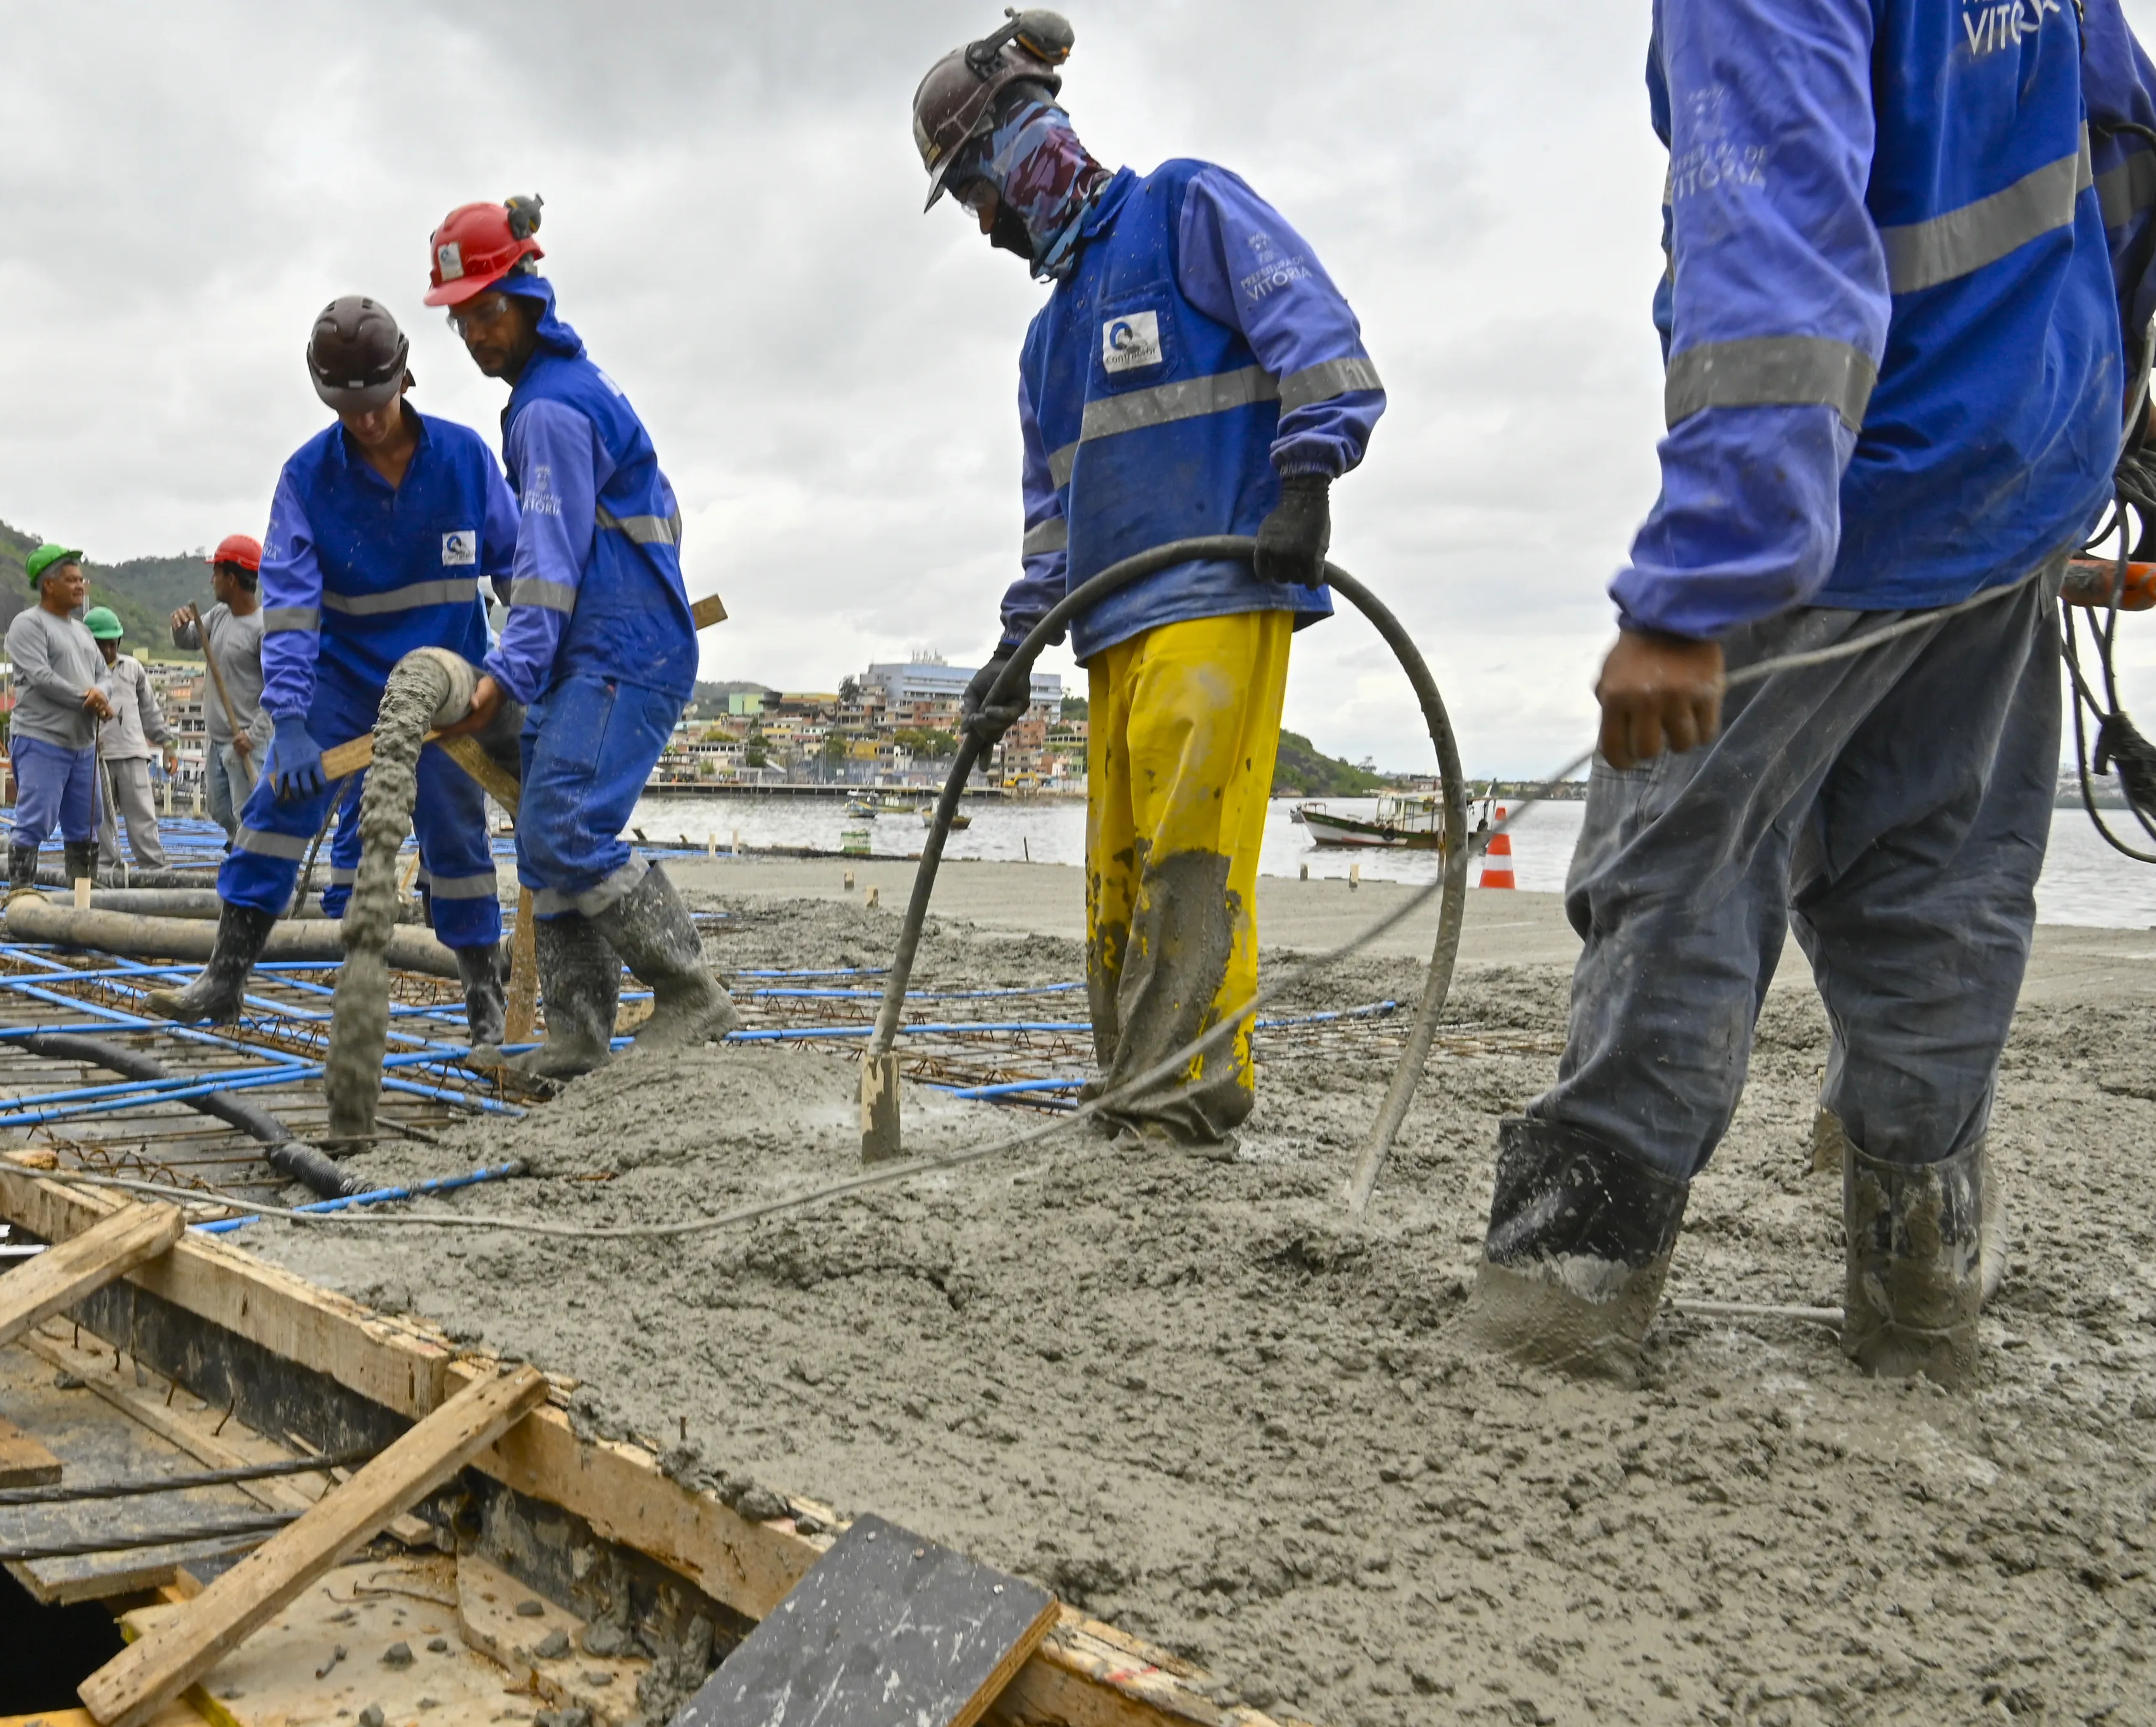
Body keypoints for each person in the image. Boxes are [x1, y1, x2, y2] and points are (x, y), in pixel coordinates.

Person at [1470, 0, 2156, 1386]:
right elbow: (2128, 159)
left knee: (1679, 874)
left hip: (1847, 492)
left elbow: (1772, 254)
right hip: (2011, 498)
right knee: (1942, 897)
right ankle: (1917, 1304)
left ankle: (1564, 1297)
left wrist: (1692, 593)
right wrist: (2101, 438)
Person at [913, 12, 1384, 1153]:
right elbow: (1048, 528)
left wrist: (1306, 478)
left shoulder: (1185, 209)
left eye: (978, 199)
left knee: (1189, 853)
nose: (985, 232)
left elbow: (1317, 334)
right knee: (1117, 870)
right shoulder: (1046, 342)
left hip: (1220, 595)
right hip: (1109, 627)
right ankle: (1132, 1085)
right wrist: (1016, 651)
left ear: (1018, 154)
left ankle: (1183, 1098)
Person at [149, 295, 517, 1060]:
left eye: (376, 405)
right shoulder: (308, 479)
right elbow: (289, 607)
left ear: (404, 380)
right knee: (274, 813)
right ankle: (225, 976)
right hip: (341, 683)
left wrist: (520, 672)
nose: (366, 423)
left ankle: (484, 1002)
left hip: (444, 683)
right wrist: (288, 719)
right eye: (348, 410)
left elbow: (520, 571)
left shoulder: (464, 460)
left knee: (455, 837)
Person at [423, 194, 736, 1076]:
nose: (477, 335)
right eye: (461, 321)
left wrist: (509, 674)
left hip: (619, 652)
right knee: (547, 836)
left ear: (529, 292)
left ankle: (689, 993)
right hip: (602, 648)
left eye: (486, 312)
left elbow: (550, 565)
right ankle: (575, 1041)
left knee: (562, 826)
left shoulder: (550, 411)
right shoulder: (564, 393)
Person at [2, 543, 111, 889]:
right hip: (41, 739)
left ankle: (82, 905)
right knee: (34, 820)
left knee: (86, 824)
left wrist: (102, 692)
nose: (81, 586)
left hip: (82, 745)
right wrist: (88, 698)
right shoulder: (29, 625)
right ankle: (20, 896)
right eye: (72, 580)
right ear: (49, 584)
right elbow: (41, 677)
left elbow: (102, 674)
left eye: (82, 580)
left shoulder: (82, 631)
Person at [170, 534, 270, 837]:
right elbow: (189, 641)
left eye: (216, 573)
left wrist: (254, 736)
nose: (212, 579)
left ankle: (249, 866)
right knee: (219, 810)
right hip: (217, 741)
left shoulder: (264, 629)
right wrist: (179, 626)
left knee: (248, 815)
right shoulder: (219, 616)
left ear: (231, 578)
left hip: (246, 743)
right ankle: (237, 850)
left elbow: (278, 690)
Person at [85, 607, 175, 872]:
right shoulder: (80, 673)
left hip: (132, 754)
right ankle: (105, 870)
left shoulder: (132, 669)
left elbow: (149, 710)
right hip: (95, 757)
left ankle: (153, 868)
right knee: (99, 819)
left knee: (142, 816)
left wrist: (166, 744)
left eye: (113, 645)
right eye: (103, 646)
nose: (110, 652)